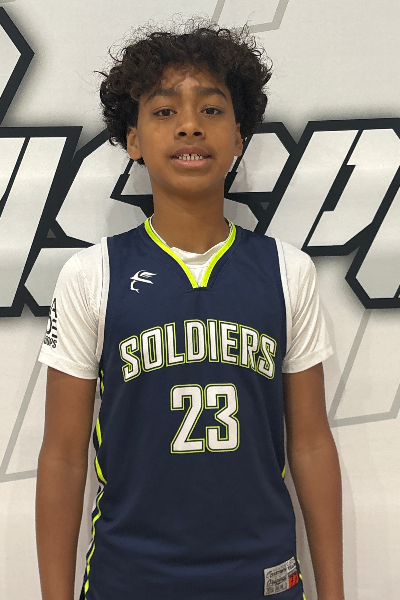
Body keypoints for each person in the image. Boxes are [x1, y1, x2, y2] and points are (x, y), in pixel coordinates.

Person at [35, 17, 344, 600]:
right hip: (130, 578)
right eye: (163, 110)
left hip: (262, 577)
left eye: (211, 109)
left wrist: (335, 591)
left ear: (239, 138)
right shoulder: (91, 274)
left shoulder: (287, 270)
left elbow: (309, 443)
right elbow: (62, 456)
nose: (189, 125)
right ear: (132, 141)